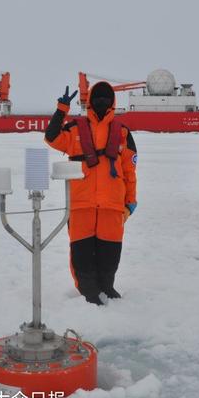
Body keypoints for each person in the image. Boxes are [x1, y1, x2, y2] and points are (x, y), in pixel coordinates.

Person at [44, 82, 137, 305]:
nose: (102, 102)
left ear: (112, 102)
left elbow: (129, 171)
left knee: (110, 254)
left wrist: (130, 203)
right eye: (98, 98)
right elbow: (51, 137)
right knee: (81, 255)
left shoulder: (123, 133)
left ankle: (107, 288)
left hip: (112, 206)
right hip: (81, 204)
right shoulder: (75, 129)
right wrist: (61, 110)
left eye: (106, 98)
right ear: (90, 101)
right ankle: (88, 293)